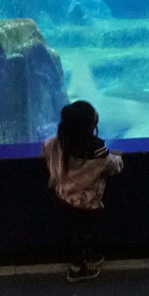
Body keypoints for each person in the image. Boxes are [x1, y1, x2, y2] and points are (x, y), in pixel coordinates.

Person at [42, 100, 123, 282]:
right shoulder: (98, 152)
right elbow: (114, 167)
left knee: (74, 232)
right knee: (85, 233)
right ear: (91, 127)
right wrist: (118, 157)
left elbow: (46, 150)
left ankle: (85, 257)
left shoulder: (55, 144)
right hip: (87, 203)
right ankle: (77, 269)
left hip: (62, 197)